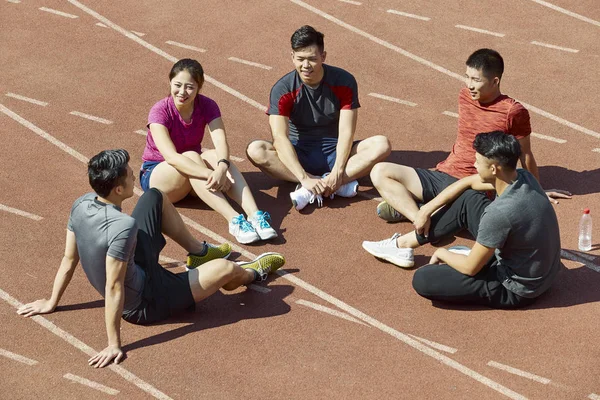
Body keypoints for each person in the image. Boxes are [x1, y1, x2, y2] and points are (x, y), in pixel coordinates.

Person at [17, 149, 285, 367]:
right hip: (147, 301)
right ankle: (252, 273)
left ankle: (199, 253)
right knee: (226, 269)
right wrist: (114, 344)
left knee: (155, 195)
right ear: (119, 190)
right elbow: (113, 286)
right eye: (131, 176)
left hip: (138, 267)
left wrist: (52, 301)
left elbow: (68, 258)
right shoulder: (122, 227)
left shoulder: (82, 203)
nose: (135, 177)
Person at [362, 49, 570, 266]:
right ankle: (422, 222)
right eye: (467, 77)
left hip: (474, 186)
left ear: (495, 81)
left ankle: (419, 227)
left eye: (476, 79)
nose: (469, 84)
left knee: (457, 202)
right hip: (442, 175)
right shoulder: (464, 96)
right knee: (380, 171)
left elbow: (525, 153)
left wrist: (535, 190)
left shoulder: (513, 112)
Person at [402, 132, 560, 308]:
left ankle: (470, 256)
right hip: (541, 271)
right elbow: (468, 183)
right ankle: (404, 243)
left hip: (517, 289)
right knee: (469, 198)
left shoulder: (498, 213)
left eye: (478, 161)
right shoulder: (524, 177)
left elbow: (471, 268)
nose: (474, 164)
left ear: (493, 169)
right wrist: (427, 209)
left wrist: (442, 254)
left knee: (423, 278)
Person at [246, 25, 391, 210]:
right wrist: (304, 177)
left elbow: (347, 131)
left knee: (382, 144)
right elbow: (280, 138)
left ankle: (326, 184)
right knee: (256, 150)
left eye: (312, 59)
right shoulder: (283, 89)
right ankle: (315, 184)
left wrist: (338, 171)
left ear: (323, 56)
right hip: (299, 154)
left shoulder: (344, 81)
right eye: (300, 59)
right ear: (292, 57)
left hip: (337, 153)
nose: (305, 66)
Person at [141, 58, 276, 244]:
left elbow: (221, 141)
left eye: (189, 87)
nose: (182, 92)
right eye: (177, 85)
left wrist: (221, 168)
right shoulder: (160, 111)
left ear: (199, 87)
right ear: (170, 82)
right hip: (159, 175)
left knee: (214, 155)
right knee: (190, 156)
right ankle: (234, 220)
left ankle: (255, 216)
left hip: (194, 174)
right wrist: (210, 173)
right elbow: (171, 158)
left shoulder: (207, 105)